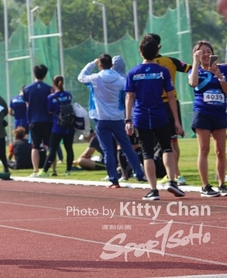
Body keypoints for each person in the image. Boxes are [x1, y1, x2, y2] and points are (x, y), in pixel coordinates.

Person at [125, 36, 185, 201]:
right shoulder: (163, 71)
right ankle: (172, 180)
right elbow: (171, 97)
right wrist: (177, 121)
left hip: (141, 116)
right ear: (157, 50)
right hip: (160, 115)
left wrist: (128, 120)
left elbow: (129, 97)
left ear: (140, 52)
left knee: (147, 153)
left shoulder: (133, 72)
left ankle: (153, 189)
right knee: (167, 148)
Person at [78, 54, 145, 188]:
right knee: (127, 147)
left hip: (101, 119)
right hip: (118, 118)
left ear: (100, 65)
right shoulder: (121, 80)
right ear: (112, 65)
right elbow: (128, 97)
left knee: (108, 151)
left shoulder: (95, 78)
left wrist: (92, 63)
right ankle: (139, 174)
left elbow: (81, 77)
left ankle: (114, 179)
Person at [143, 33, 191, 186]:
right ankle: (177, 174)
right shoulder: (171, 61)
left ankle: (175, 175)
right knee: (173, 141)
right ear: (159, 46)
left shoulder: (144, 66)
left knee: (165, 143)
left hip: (157, 105)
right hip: (172, 104)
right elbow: (190, 69)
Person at [188, 40, 227, 197]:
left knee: (220, 151)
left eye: (208, 51)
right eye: (202, 52)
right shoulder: (195, 70)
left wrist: (219, 76)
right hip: (202, 113)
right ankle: (205, 186)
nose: (206, 54)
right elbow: (193, 83)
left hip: (219, 114)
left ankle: (222, 184)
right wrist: (195, 62)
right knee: (204, 149)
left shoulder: (222, 69)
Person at [37, 75, 74, 177]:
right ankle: (68, 171)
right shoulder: (68, 95)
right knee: (69, 149)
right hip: (69, 126)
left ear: (54, 84)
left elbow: (49, 110)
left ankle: (44, 170)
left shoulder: (51, 97)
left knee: (52, 149)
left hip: (57, 127)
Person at [23, 64, 53, 176]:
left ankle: (35, 170)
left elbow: (27, 103)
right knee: (51, 146)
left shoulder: (27, 88)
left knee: (35, 146)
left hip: (34, 120)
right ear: (45, 75)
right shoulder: (49, 88)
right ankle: (53, 170)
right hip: (48, 120)